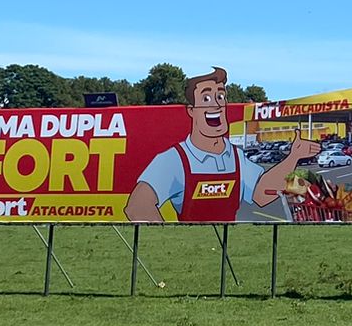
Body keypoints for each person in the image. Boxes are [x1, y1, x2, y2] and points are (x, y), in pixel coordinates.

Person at [125, 68, 319, 222]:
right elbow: (137, 206)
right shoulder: (174, 159)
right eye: (206, 98)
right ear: (192, 110)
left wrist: (293, 157)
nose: (216, 105)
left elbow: (261, 193)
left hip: (226, 248)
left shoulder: (235, 156)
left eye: (220, 96)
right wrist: (173, 242)